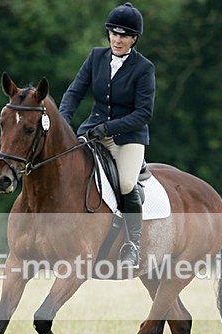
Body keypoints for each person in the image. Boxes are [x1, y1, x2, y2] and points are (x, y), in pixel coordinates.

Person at [59, 2, 155, 268]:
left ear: (134, 39)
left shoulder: (144, 68)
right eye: (114, 32)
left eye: (124, 35)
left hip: (128, 138)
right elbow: (74, 93)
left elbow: (143, 113)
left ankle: (132, 245)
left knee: (125, 183)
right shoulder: (95, 57)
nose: (117, 39)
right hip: (92, 131)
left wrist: (109, 129)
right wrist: (64, 121)